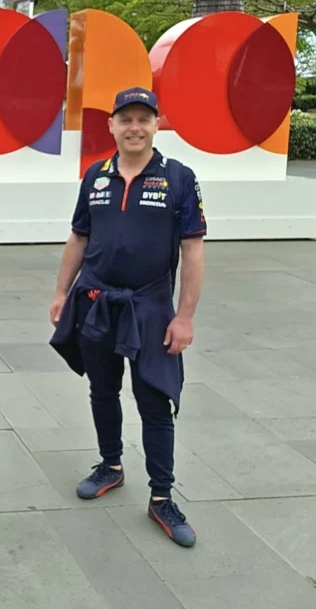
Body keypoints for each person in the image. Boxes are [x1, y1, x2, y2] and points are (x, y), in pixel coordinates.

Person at [48, 87, 206, 548]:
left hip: (152, 308)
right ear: (111, 125)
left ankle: (162, 496)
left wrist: (186, 316)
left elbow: (193, 250)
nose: (134, 127)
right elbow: (78, 238)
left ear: (157, 124)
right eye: (126, 119)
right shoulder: (95, 176)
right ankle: (110, 465)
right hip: (96, 302)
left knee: (155, 401)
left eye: (144, 119)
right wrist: (62, 292)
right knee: (102, 389)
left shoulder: (178, 178)